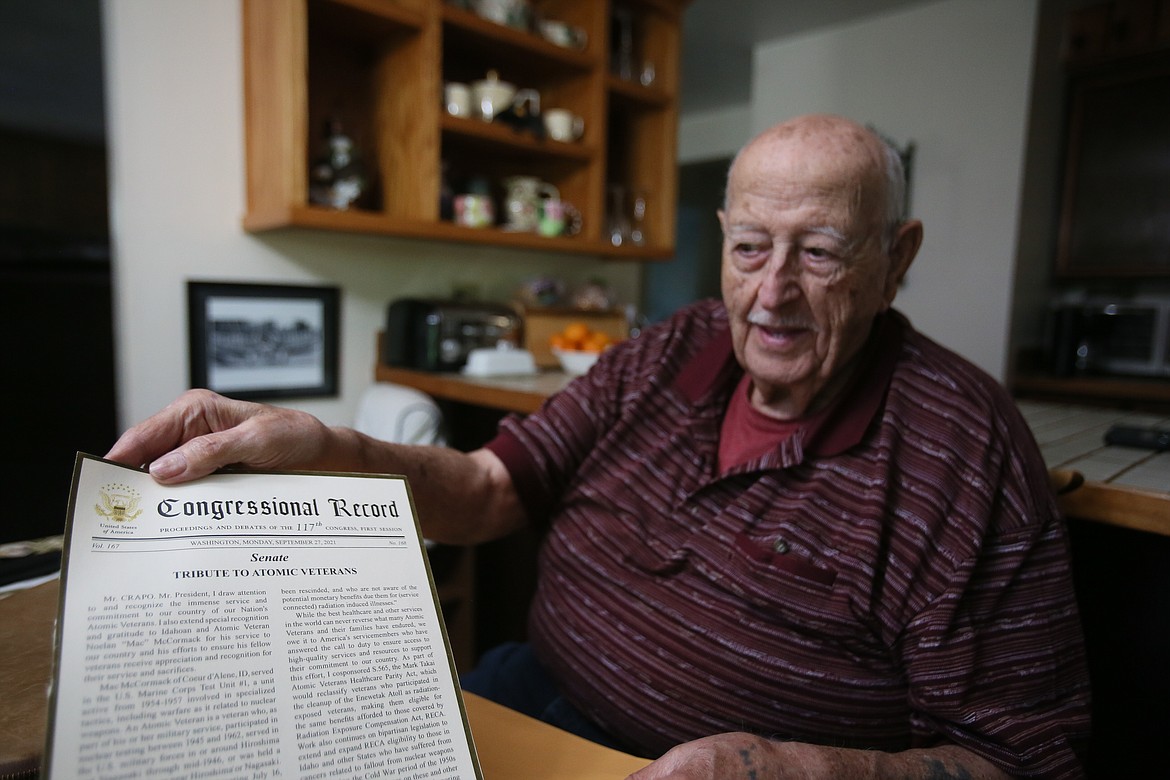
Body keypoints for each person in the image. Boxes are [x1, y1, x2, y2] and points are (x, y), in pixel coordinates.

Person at [107, 114, 1090, 779]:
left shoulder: (962, 450)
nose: (773, 291)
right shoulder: (671, 350)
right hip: (532, 695)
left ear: (897, 261)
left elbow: (1019, 759)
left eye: (821, 250)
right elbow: (491, 489)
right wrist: (326, 447)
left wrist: (793, 766)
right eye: (750, 247)